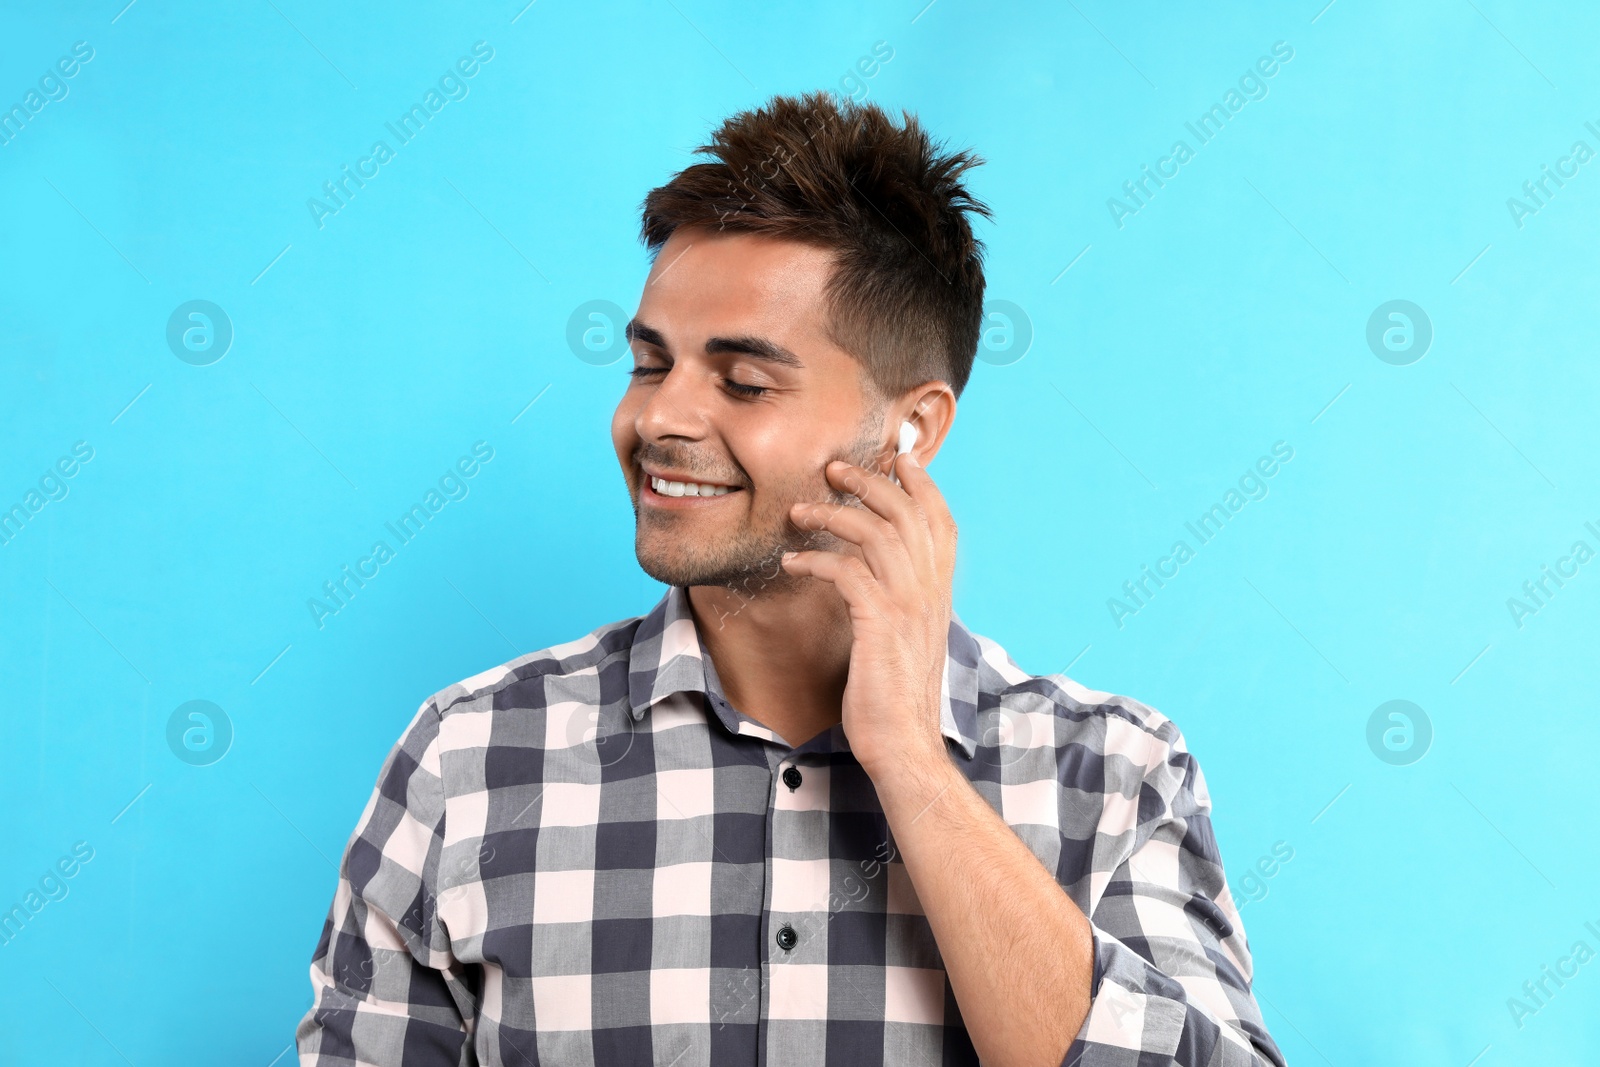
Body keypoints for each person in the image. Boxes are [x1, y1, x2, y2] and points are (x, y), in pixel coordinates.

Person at [296, 89, 1287, 1067]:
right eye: (650, 363)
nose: (659, 419)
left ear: (914, 428)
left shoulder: (1108, 775)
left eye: (743, 380)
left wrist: (908, 759)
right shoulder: (469, 760)